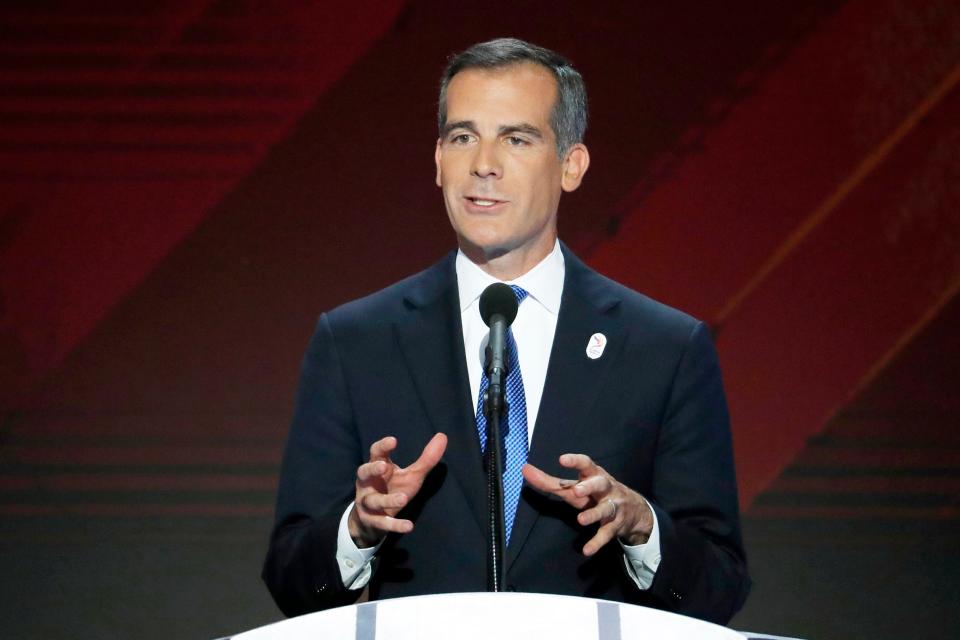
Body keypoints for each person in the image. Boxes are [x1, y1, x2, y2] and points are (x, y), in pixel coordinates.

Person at [262, 37, 750, 625]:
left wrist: (642, 527)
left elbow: (719, 587)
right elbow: (291, 579)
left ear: (571, 166)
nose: (483, 163)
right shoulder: (357, 341)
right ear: (438, 159)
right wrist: (357, 530)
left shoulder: (665, 348)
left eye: (517, 139)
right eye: (464, 137)